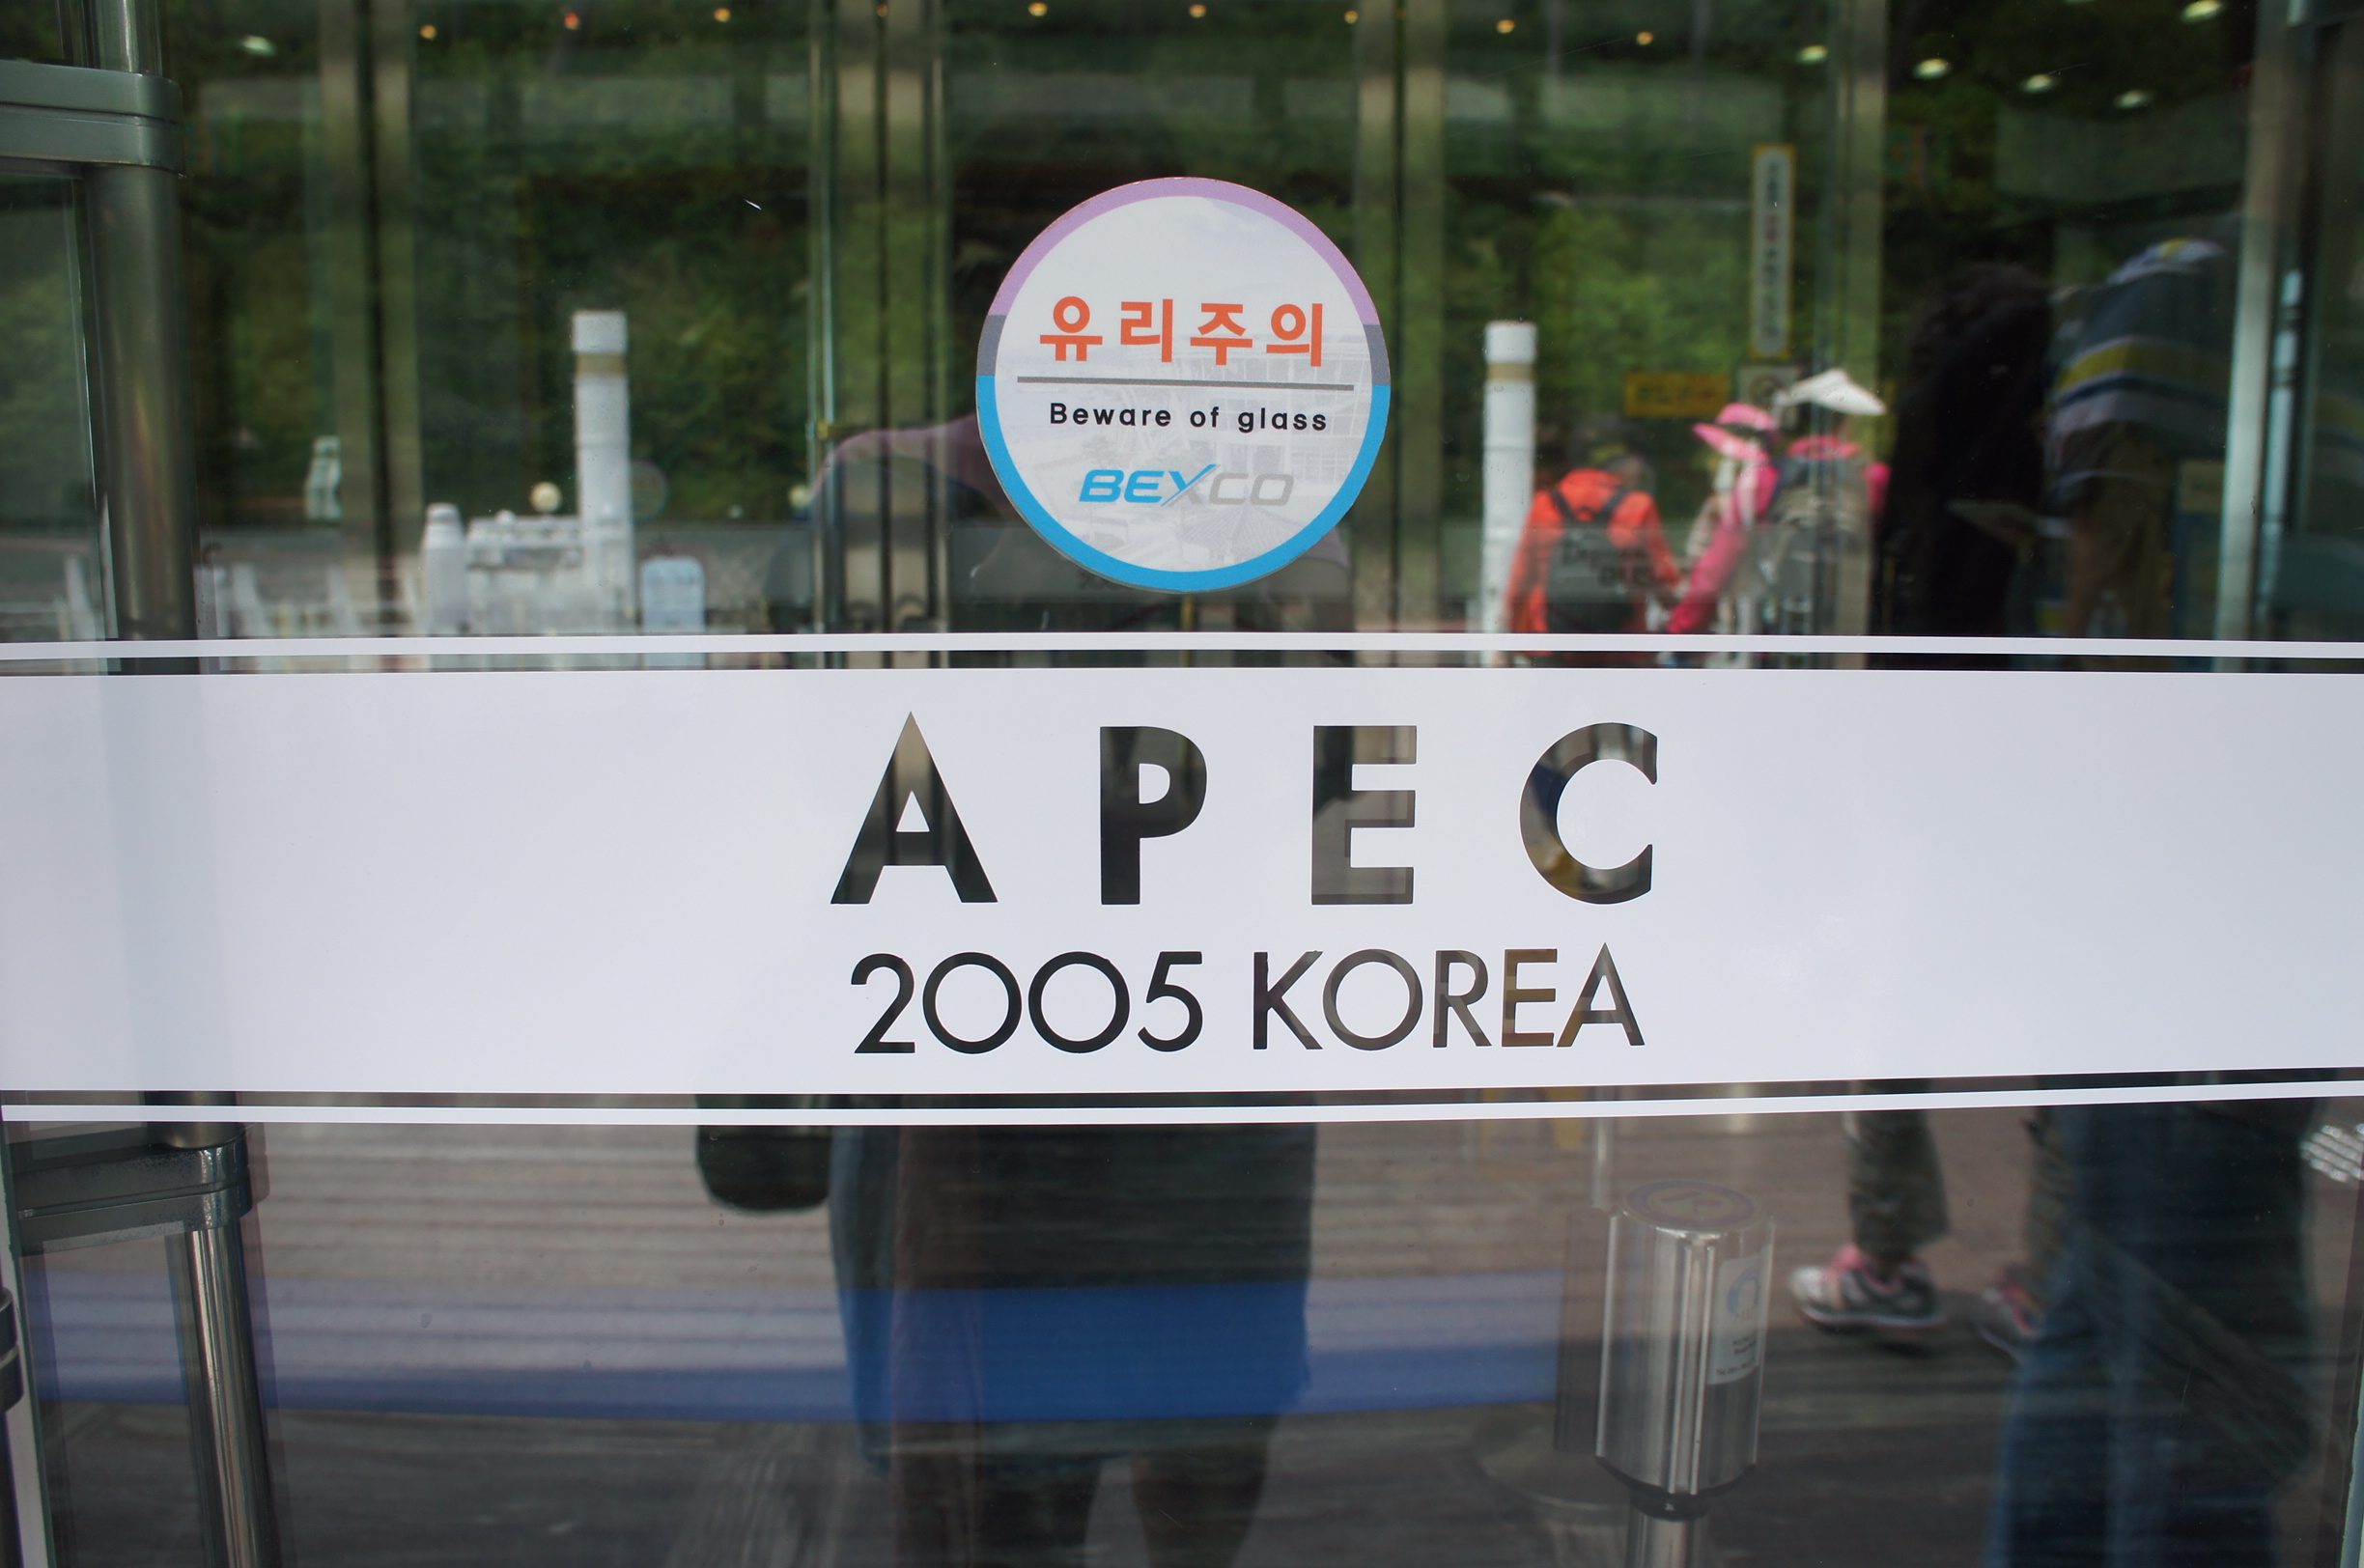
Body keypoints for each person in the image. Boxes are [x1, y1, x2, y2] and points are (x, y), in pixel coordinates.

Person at [1501, 450, 1680, 639]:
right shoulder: (1638, 504)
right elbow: (1660, 574)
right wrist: (1679, 622)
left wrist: (1513, 632)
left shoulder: (1545, 502)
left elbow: (1521, 577)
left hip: (1552, 634)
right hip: (1620, 636)